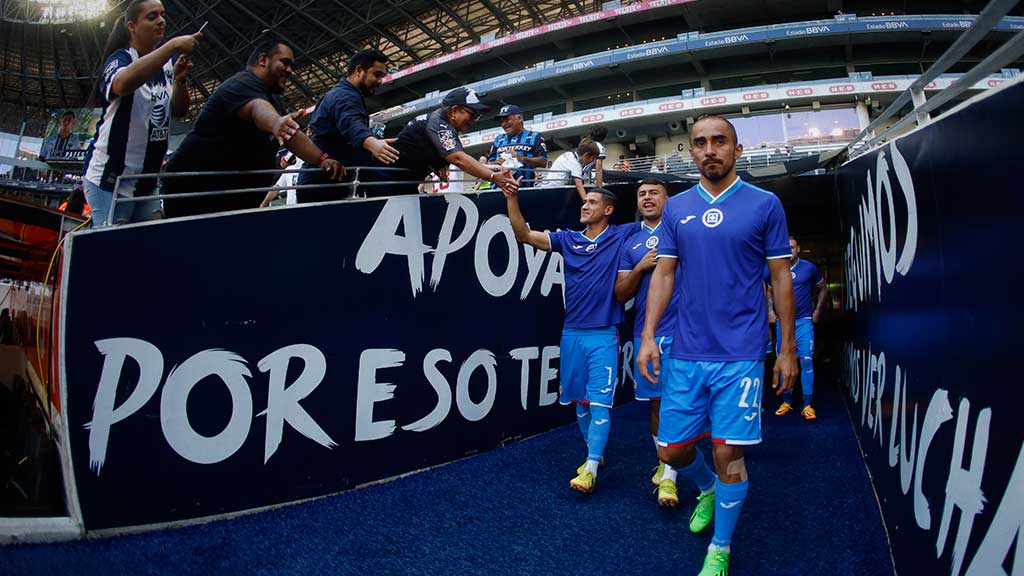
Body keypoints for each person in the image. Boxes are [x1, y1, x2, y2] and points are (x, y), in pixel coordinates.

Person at [637, 114, 798, 576]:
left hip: (741, 354)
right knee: (672, 452)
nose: (710, 149)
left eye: (720, 141)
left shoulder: (764, 204)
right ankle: (706, 489)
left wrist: (786, 347)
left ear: (737, 150)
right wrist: (648, 336)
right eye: (701, 142)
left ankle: (720, 549)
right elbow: (664, 273)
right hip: (685, 351)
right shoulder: (676, 208)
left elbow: (780, 277)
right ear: (691, 151)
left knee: (730, 452)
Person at [504, 185, 631, 493]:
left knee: (600, 403)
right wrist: (511, 197)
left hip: (603, 335)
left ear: (608, 210)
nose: (584, 206)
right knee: (580, 403)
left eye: (591, 202)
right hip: (571, 333)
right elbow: (523, 235)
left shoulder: (623, 234)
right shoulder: (569, 239)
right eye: (584, 202)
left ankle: (590, 468)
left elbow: (659, 224)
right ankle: (594, 453)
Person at [162, 38, 343, 217]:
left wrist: (322, 159)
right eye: (284, 63)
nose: (289, 70)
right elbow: (257, 108)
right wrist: (275, 123)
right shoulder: (241, 84)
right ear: (263, 60)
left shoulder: (272, 100)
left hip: (228, 202)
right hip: (196, 198)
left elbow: (289, 135)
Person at [82, 0, 200, 226]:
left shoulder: (168, 65)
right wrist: (172, 46)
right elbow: (122, 84)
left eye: (162, 15)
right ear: (131, 26)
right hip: (111, 181)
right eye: (152, 16)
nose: (161, 21)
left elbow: (179, 110)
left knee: (145, 249)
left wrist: (180, 81)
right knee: (113, 251)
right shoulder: (120, 59)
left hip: (146, 182)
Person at [613, 178, 681, 506]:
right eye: (642, 194)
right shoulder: (632, 243)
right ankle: (667, 466)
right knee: (656, 403)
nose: (647, 198)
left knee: (684, 402)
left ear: (667, 198)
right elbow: (621, 293)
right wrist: (639, 267)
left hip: (686, 332)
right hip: (648, 334)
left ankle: (673, 471)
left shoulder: (684, 232)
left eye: (654, 192)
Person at [298, 49, 399, 203]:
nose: (380, 81)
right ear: (359, 70)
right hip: (322, 187)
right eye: (377, 75)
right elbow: (351, 124)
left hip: (329, 182)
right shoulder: (345, 97)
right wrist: (373, 143)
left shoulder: (342, 93)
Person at [385, 87, 519, 196]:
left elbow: (425, 148)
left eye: (477, 116)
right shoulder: (438, 124)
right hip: (386, 183)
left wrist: (439, 164)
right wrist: (493, 177)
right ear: (454, 110)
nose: (473, 120)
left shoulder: (441, 123)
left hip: (400, 184)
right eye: (472, 114)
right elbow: (459, 159)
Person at [766, 236, 827, 420]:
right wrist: (770, 310)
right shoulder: (776, 268)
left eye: (792, 247)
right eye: (787, 248)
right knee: (784, 360)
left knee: (806, 360)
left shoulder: (809, 268)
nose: (789, 251)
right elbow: (768, 290)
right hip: (783, 323)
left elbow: (823, 288)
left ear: (798, 248)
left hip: (803, 321)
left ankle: (807, 405)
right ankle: (786, 401)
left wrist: (817, 311)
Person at [477, 104, 547, 187]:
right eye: (501, 121)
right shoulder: (498, 139)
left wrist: (520, 158)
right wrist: (497, 162)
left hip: (524, 189)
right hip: (498, 189)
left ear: (519, 118)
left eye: (507, 119)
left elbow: (543, 162)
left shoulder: (535, 136)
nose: (503, 124)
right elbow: (490, 163)